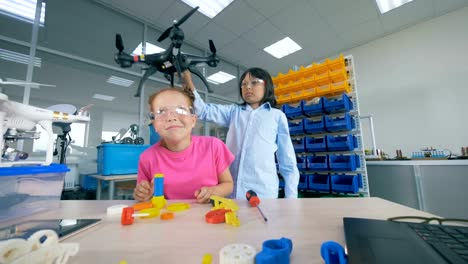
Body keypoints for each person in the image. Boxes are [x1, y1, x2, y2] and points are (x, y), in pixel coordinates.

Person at [183, 68, 299, 199]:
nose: (248, 87)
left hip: (264, 193)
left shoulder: (277, 116)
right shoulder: (233, 112)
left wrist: (291, 198)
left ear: (267, 85)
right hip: (231, 191)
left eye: (254, 82)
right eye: (244, 84)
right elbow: (203, 111)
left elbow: (287, 162)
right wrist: (188, 81)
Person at [133, 87, 235, 203]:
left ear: (193, 120)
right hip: (167, 218)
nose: (171, 117)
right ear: (154, 124)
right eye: (161, 112)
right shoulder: (147, 157)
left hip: (208, 217)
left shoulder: (213, 146)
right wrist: (143, 194)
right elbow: (144, 193)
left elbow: (228, 184)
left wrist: (214, 191)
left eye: (181, 109)